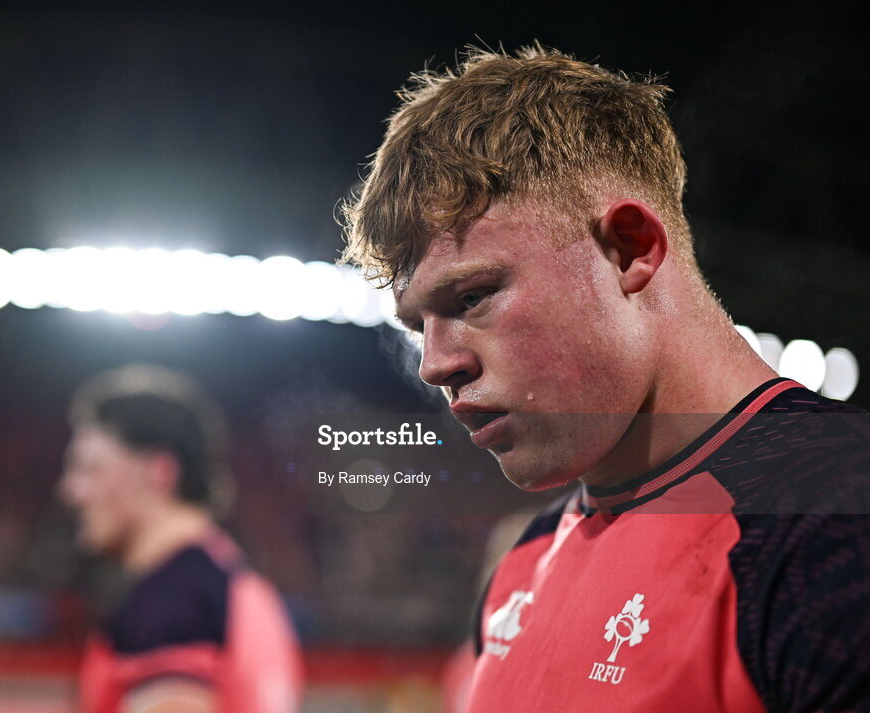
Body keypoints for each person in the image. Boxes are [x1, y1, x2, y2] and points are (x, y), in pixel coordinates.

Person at [342, 45, 870, 712]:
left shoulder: (836, 520)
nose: (435, 363)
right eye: (419, 326)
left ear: (631, 249)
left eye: (472, 297)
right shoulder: (522, 567)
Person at [58, 365, 303, 713]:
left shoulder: (168, 606)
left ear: (158, 470)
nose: (71, 491)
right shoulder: (227, 583)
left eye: (90, 468)